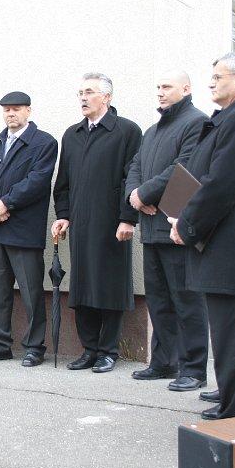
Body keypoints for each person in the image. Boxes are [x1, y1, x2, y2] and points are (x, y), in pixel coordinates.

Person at [168, 52, 235, 422]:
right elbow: (200, 171)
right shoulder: (234, 116)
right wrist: (178, 211)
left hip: (233, 247)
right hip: (226, 246)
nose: (211, 83)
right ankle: (234, 401)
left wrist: (186, 225)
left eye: (218, 77)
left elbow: (220, 185)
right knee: (231, 335)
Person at [125, 71, 210, 391]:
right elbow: (135, 167)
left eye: (167, 87)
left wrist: (145, 194)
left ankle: (193, 369)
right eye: (157, 86)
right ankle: (163, 362)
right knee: (159, 300)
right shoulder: (152, 130)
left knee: (187, 301)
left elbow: (185, 167)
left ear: (186, 89)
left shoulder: (196, 122)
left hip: (176, 227)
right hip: (151, 228)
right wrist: (134, 195)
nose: (160, 92)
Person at [51, 73, 142, 373]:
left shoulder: (127, 131)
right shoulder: (72, 134)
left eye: (89, 92)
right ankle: (89, 349)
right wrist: (63, 215)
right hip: (80, 224)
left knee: (109, 286)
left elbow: (132, 178)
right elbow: (63, 182)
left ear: (107, 97)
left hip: (112, 224)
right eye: (80, 92)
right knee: (82, 287)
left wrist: (128, 218)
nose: (83, 97)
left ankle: (108, 351)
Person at [0, 91, 58, 367]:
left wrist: (6, 203)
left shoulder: (44, 143)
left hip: (24, 231)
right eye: (6, 109)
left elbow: (38, 180)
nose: (11, 113)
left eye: (16, 109)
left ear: (28, 111)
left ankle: (34, 347)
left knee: (31, 293)